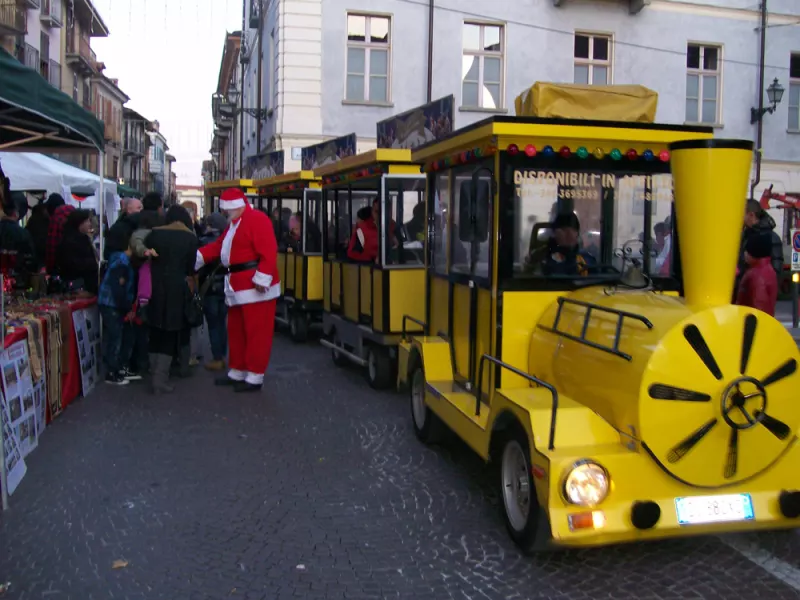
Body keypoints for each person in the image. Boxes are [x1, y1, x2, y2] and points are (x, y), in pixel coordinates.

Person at [196, 187, 280, 393]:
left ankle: (254, 376)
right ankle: (238, 370)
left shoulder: (257, 220)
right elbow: (218, 247)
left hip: (254, 285)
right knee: (236, 331)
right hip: (237, 286)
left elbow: (269, 250)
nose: (225, 213)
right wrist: (197, 257)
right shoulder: (234, 224)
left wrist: (263, 277)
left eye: (227, 209)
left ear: (236, 206)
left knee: (256, 333)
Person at [145, 205, 198, 395]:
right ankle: (160, 380)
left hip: (154, 286)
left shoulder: (154, 235)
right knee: (169, 332)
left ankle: (153, 372)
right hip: (177, 289)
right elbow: (192, 267)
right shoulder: (189, 238)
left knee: (155, 330)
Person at [98, 234, 136, 385]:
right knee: (115, 337)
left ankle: (114, 368)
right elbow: (118, 288)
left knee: (114, 336)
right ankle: (112, 372)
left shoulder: (118, 259)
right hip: (111, 303)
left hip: (110, 303)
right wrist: (127, 307)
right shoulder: (123, 263)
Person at [198, 213, 229, 372]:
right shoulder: (228, 241)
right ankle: (222, 355)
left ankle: (217, 357)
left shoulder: (203, 241)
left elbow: (198, 265)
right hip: (226, 285)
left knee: (213, 324)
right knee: (222, 322)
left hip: (209, 287)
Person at [736, 199, 783, 296]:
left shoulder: (771, 238)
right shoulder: (745, 235)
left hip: (756, 294)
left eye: (742, 214)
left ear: (751, 215)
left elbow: (776, 272)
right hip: (743, 293)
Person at [527, 212, 596, 276]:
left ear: (577, 233)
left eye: (573, 230)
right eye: (564, 230)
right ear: (555, 233)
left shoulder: (586, 259)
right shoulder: (541, 257)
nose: (570, 234)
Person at [55, 209, 99, 294]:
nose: (89, 224)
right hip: (77, 286)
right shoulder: (70, 242)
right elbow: (71, 264)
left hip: (85, 284)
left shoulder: (82, 238)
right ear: (79, 223)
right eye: (87, 221)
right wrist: (92, 263)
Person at [736, 232, 778, 316]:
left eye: (747, 250)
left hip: (751, 323)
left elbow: (759, 306)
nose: (745, 253)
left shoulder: (755, 275)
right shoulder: (768, 270)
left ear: (754, 252)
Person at [45, 203, 75, 273]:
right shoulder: (73, 220)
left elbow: (52, 244)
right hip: (71, 265)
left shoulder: (54, 220)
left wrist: (49, 268)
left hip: (58, 265)